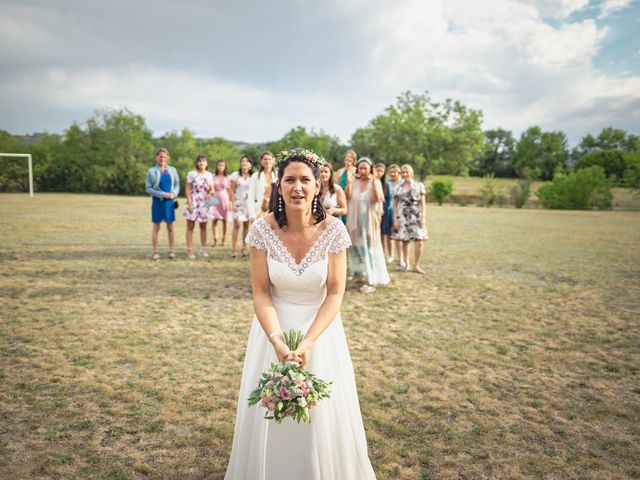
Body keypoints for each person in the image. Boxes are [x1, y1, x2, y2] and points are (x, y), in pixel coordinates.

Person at [225, 148, 376, 479]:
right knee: (270, 415)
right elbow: (261, 292)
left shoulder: (334, 230)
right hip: (272, 333)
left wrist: (307, 343)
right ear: (278, 186)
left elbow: (335, 292)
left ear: (318, 184)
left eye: (305, 180)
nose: (297, 187)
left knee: (322, 416)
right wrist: (278, 342)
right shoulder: (261, 231)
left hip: (320, 333)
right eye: (289, 180)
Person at [345, 157, 390, 292]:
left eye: (365, 168)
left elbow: (377, 199)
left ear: (370, 169)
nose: (363, 171)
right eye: (360, 168)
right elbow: (347, 196)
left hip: (369, 221)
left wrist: (375, 182)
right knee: (356, 247)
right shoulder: (354, 182)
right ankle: (359, 274)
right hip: (355, 221)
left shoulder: (375, 182)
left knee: (370, 249)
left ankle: (372, 280)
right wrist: (348, 182)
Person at [392, 164, 428, 274]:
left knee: (419, 241)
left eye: (406, 172)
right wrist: (395, 219)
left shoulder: (419, 185)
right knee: (405, 241)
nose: (404, 174)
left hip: (416, 215)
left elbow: (423, 203)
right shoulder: (398, 187)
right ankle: (407, 263)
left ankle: (416, 265)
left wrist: (423, 217)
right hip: (402, 215)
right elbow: (395, 204)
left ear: (411, 173)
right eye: (402, 172)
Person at [145, 148, 180, 260]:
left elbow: (177, 184)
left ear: (167, 157)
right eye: (160, 156)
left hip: (170, 203)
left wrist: (173, 194)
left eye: (164, 157)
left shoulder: (173, 170)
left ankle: (171, 251)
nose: (162, 159)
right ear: (157, 157)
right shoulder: (151, 171)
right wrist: (163, 194)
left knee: (170, 227)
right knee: (156, 227)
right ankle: (155, 252)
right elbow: (148, 188)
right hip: (157, 202)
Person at [183, 155, 214, 260]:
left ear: (206, 163)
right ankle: (190, 249)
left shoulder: (209, 175)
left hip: (204, 203)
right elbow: (187, 189)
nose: (201, 163)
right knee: (190, 226)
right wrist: (189, 203)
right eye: (199, 161)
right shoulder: (192, 174)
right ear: (197, 163)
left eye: (203, 161)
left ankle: (203, 249)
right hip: (193, 201)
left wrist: (211, 193)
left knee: (203, 226)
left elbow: (212, 189)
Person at [230, 155, 253, 258]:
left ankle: (244, 248)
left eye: (247, 161)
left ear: (250, 165)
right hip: (238, 203)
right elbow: (231, 190)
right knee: (237, 224)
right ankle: (234, 249)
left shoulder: (253, 176)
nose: (245, 163)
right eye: (243, 161)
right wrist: (233, 203)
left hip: (248, 204)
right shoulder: (235, 175)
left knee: (246, 226)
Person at [210, 160, 234, 247]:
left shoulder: (228, 177)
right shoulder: (213, 176)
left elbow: (230, 191)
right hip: (215, 198)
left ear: (225, 167)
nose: (220, 167)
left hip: (224, 198)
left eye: (222, 165)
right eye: (219, 165)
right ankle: (215, 239)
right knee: (214, 220)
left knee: (225, 220)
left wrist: (231, 202)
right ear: (217, 166)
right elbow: (210, 188)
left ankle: (224, 239)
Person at [248, 151, 276, 220]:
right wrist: (252, 214)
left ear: (273, 161)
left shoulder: (278, 176)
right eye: (265, 159)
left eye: (269, 159)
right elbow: (250, 196)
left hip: (274, 209)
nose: (267, 161)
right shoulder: (255, 176)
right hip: (259, 209)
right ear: (261, 161)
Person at [335, 149, 357, 225]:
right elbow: (336, 185)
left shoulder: (356, 171)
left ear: (354, 160)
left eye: (351, 157)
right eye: (347, 157)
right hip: (341, 198)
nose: (348, 159)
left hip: (352, 198)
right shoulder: (339, 171)